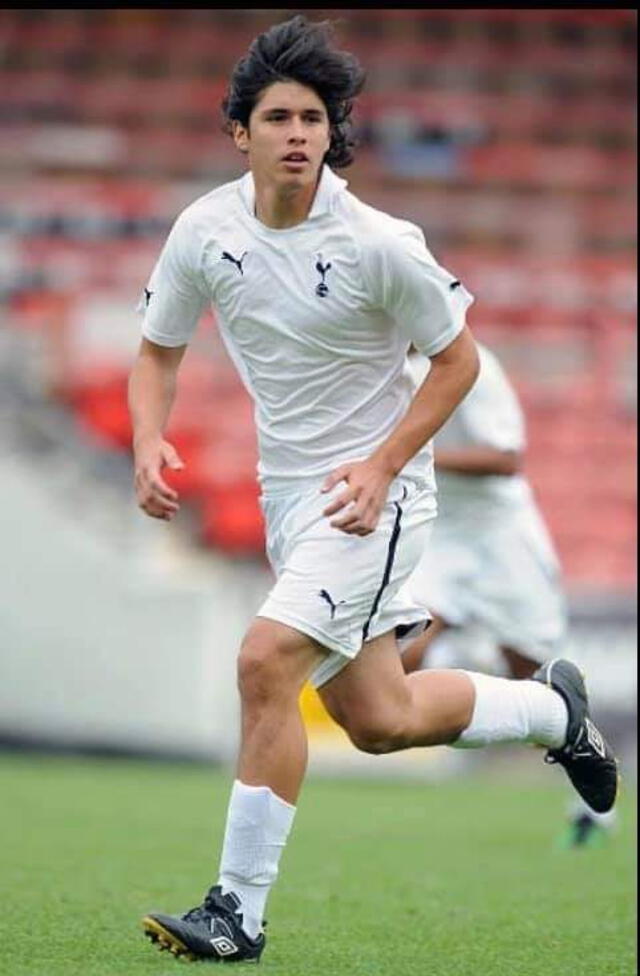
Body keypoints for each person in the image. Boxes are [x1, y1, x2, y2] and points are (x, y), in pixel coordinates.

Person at [128, 16, 618, 964]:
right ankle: (555, 713)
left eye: (313, 117)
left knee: (264, 662)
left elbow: (458, 359)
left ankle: (238, 911)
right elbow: (157, 350)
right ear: (242, 132)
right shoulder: (205, 230)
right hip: (288, 500)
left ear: (332, 132)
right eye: (277, 117)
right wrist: (148, 440)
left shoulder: (378, 241)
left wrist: (386, 462)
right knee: (378, 720)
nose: (298, 133)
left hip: (374, 500)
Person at [401, 343, 617, 848]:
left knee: (538, 671)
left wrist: (409, 451)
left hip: (500, 535)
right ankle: (462, 667)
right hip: (439, 530)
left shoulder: (473, 364)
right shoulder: (389, 367)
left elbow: (505, 458)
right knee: (400, 656)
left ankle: (592, 803)